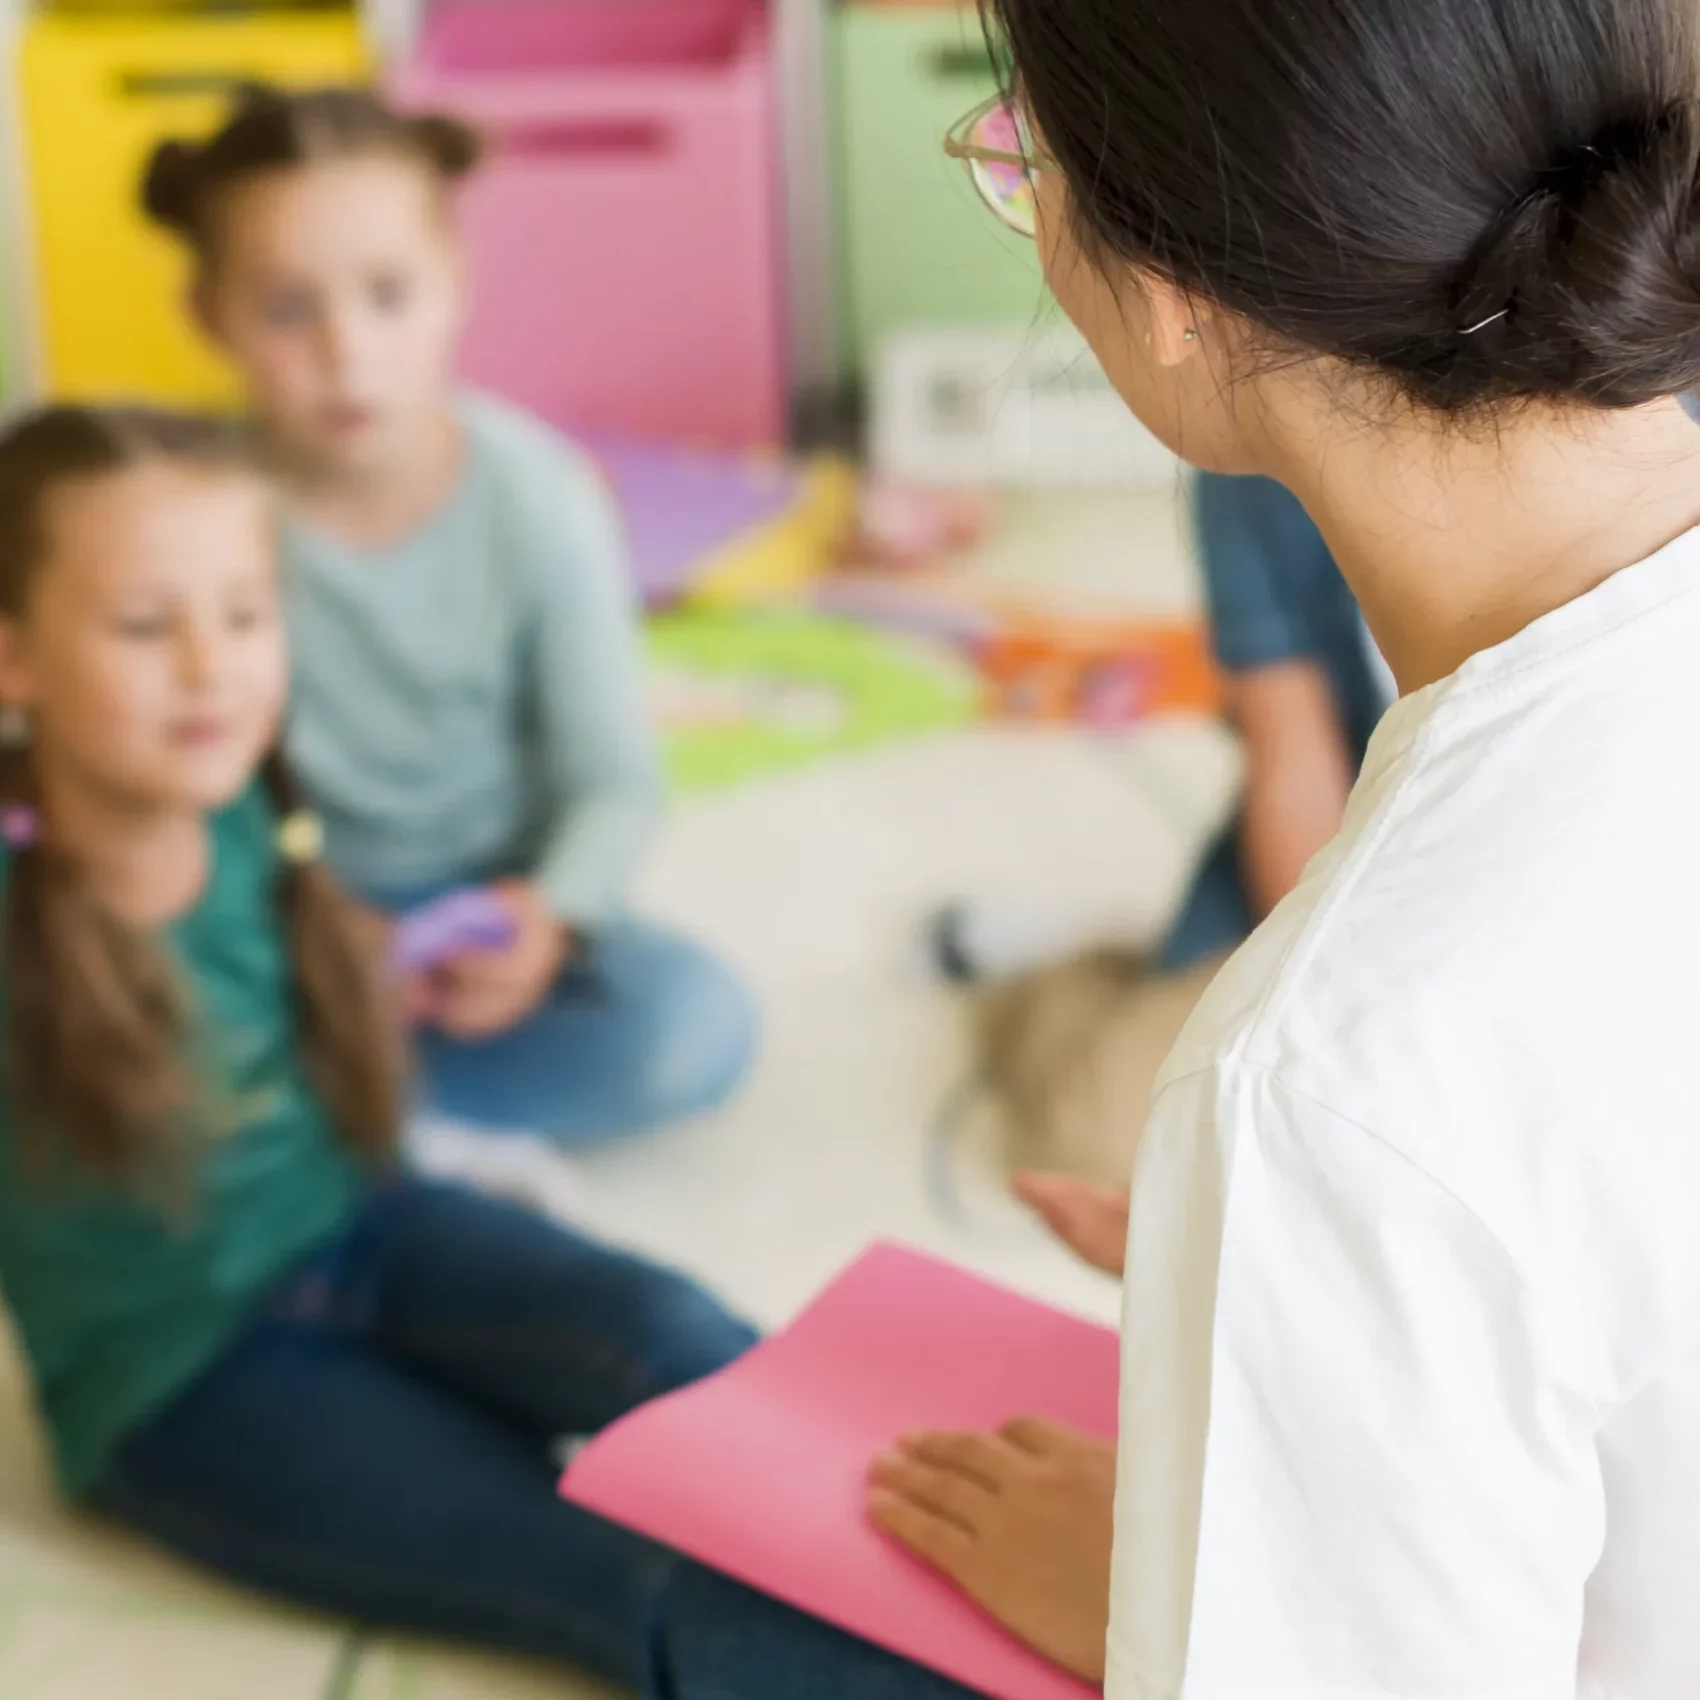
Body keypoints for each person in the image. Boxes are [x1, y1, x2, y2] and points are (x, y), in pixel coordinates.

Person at [874, 0, 1700, 1690]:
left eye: (1024, 154)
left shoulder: (1335, 1076)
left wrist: (1173, 1583)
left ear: (1181, 300)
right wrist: (1349, 1306)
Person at [0, 400, 1005, 1700]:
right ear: (13, 658)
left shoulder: (244, 798)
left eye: (246, 614)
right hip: (187, 1384)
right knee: (618, 1564)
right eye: (146, 626)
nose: (212, 666)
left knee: (677, 1336)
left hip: (362, 1225)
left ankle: (1051, 1583)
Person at [138, 85, 756, 1151]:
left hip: (488, 908)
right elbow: (173, 792)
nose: (345, 350)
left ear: (455, 283)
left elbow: (612, 780)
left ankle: (361, 1107)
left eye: (387, 294)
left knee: (693, 1023)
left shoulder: (537, 495)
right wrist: (307, 929)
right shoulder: (195, 515)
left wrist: (546, 919)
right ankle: (339, 1090)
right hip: (284, 918)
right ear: (210, 314)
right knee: (103, 1000)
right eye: (288, 310)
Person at [937, 469, 1395, 1184]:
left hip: (1527, 920)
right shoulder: (1250, 443)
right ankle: (1085, 978)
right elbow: (1292, 751)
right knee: (1113, 1146)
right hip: (1339, 888)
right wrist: (1331, 1012)